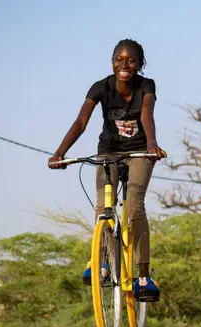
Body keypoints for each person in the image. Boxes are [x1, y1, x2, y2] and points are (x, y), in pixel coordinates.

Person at [48, 39, 166, 301]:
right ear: (112, 61)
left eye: (131, 60)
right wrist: (60, 153)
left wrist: (151, 145)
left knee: (134, 206)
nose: (124, 65)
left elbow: (147, 113)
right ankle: (102, 262)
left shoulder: (147, 86)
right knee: (103, 208)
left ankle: (144, 276)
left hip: (139, 152)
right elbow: (81, 121)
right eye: (119, 59)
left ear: (140, 64)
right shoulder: (100, 87)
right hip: (109, 152)